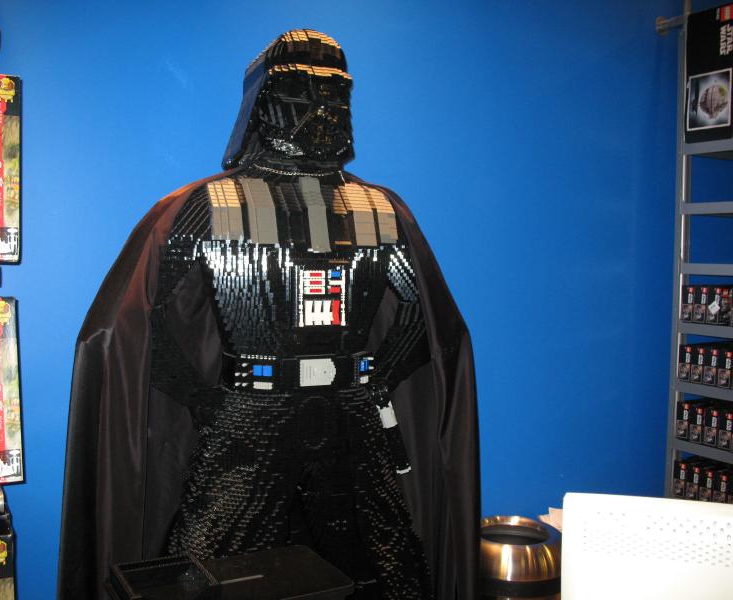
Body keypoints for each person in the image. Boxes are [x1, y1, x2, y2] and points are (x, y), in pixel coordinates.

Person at [59, 29, 479, 599]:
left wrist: (373, 377)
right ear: (267, 102)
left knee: (386, 571)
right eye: (305, 92)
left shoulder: (379, 210)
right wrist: (204, 400)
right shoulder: (204, 207)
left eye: (335, 92)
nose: (323, 106)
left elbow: (424, 323)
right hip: (249, 424)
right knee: (211, 573)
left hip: (347, 419)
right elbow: (135, 333)